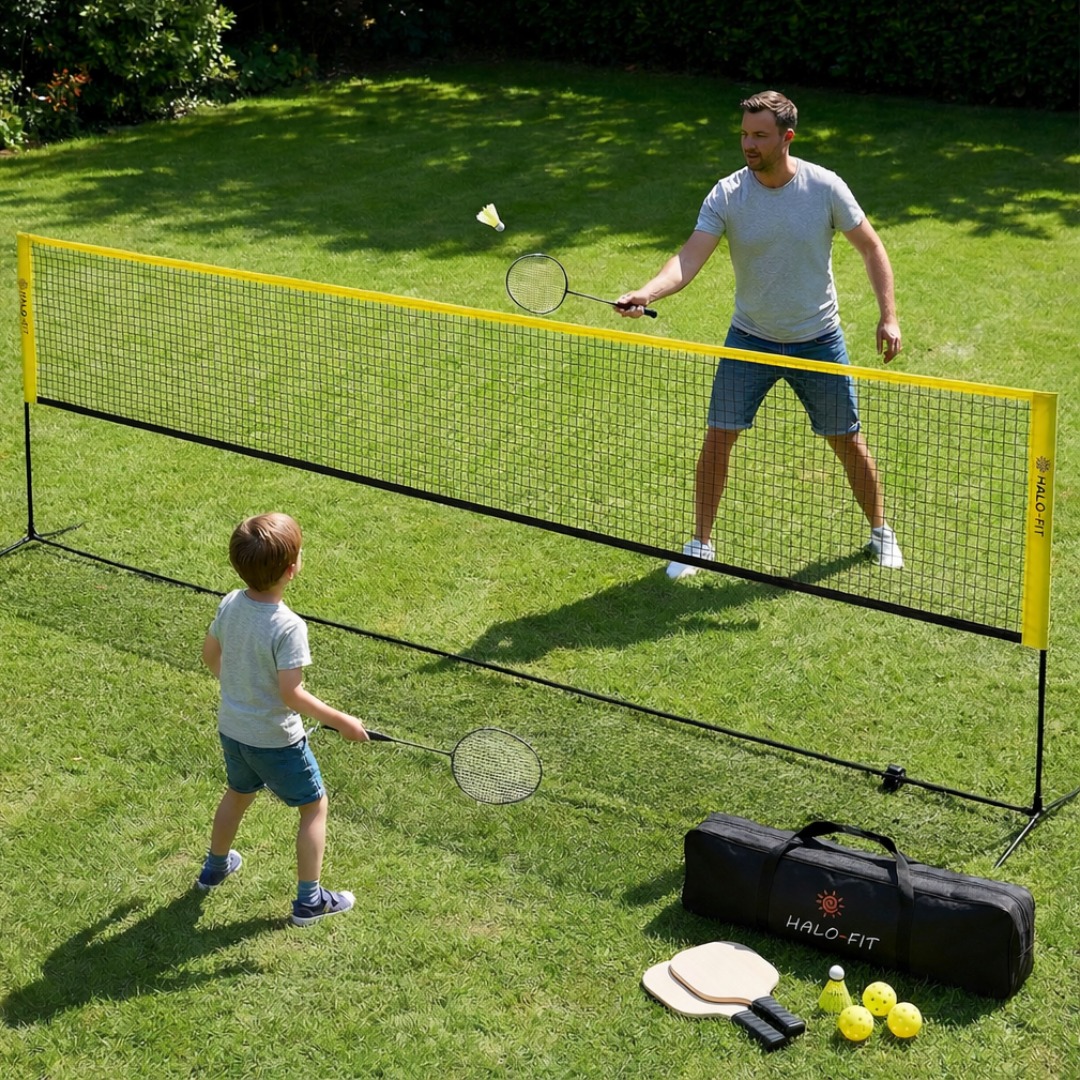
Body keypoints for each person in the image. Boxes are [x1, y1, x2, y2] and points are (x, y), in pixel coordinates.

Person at [618, 90, 904, 577]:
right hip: (750, 338)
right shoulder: (728, 194)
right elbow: (689, 257)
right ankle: (700, 544)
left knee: (846, 438)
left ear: (787, 137)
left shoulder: (824, 187)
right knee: (718, 437)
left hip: (818, 338)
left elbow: (871, 247)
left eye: (760, 136)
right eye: (744, 135)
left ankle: (881, 532)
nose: (749, 144)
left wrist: (888, 316)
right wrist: (647, 292)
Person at [196, 512, 370, 927]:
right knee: (314, 806)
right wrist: (342, 721)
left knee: (238, 792)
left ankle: (214, 868)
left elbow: (210, 655)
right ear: (292, 569)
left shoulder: (230, 602)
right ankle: (309, 902)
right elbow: (291, 694)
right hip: (275, 740)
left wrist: (242, 689)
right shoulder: (288, 627)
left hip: (233, 730)